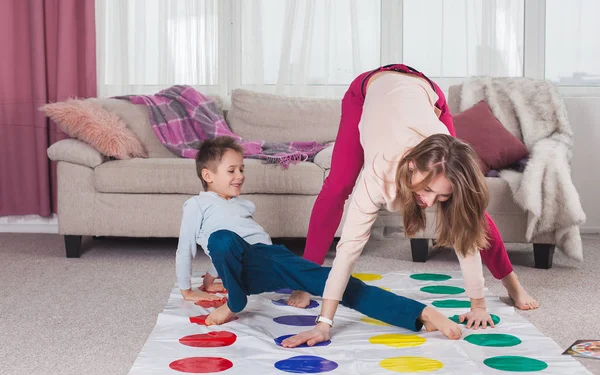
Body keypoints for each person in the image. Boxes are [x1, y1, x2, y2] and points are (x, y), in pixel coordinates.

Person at [283, 64, 539, 348]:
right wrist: (324, 323)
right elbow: (349, 250)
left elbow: (463, 230)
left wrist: (478, 304)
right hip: (370, 89)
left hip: (424, 91)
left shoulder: (440, 156)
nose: (429, 202)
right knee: (337, 187)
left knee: (464, 203)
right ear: (411, 166)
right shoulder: (379, 172)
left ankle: (511, 281)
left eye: (436, 196)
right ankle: (305, 279)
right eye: (427, 189)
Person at [175, 136, 463, 342]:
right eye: (231, 171)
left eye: (242, 169)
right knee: (222, 239)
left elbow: (250, 249)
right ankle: (236, 300)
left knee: (335, 284)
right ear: (207, 175)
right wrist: (187, 288)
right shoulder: (197, 205)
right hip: (240, 261)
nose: (240, 176)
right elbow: (186, 247)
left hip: (269, 259)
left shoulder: (242, 205)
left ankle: (419, 313)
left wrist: (217, 278)